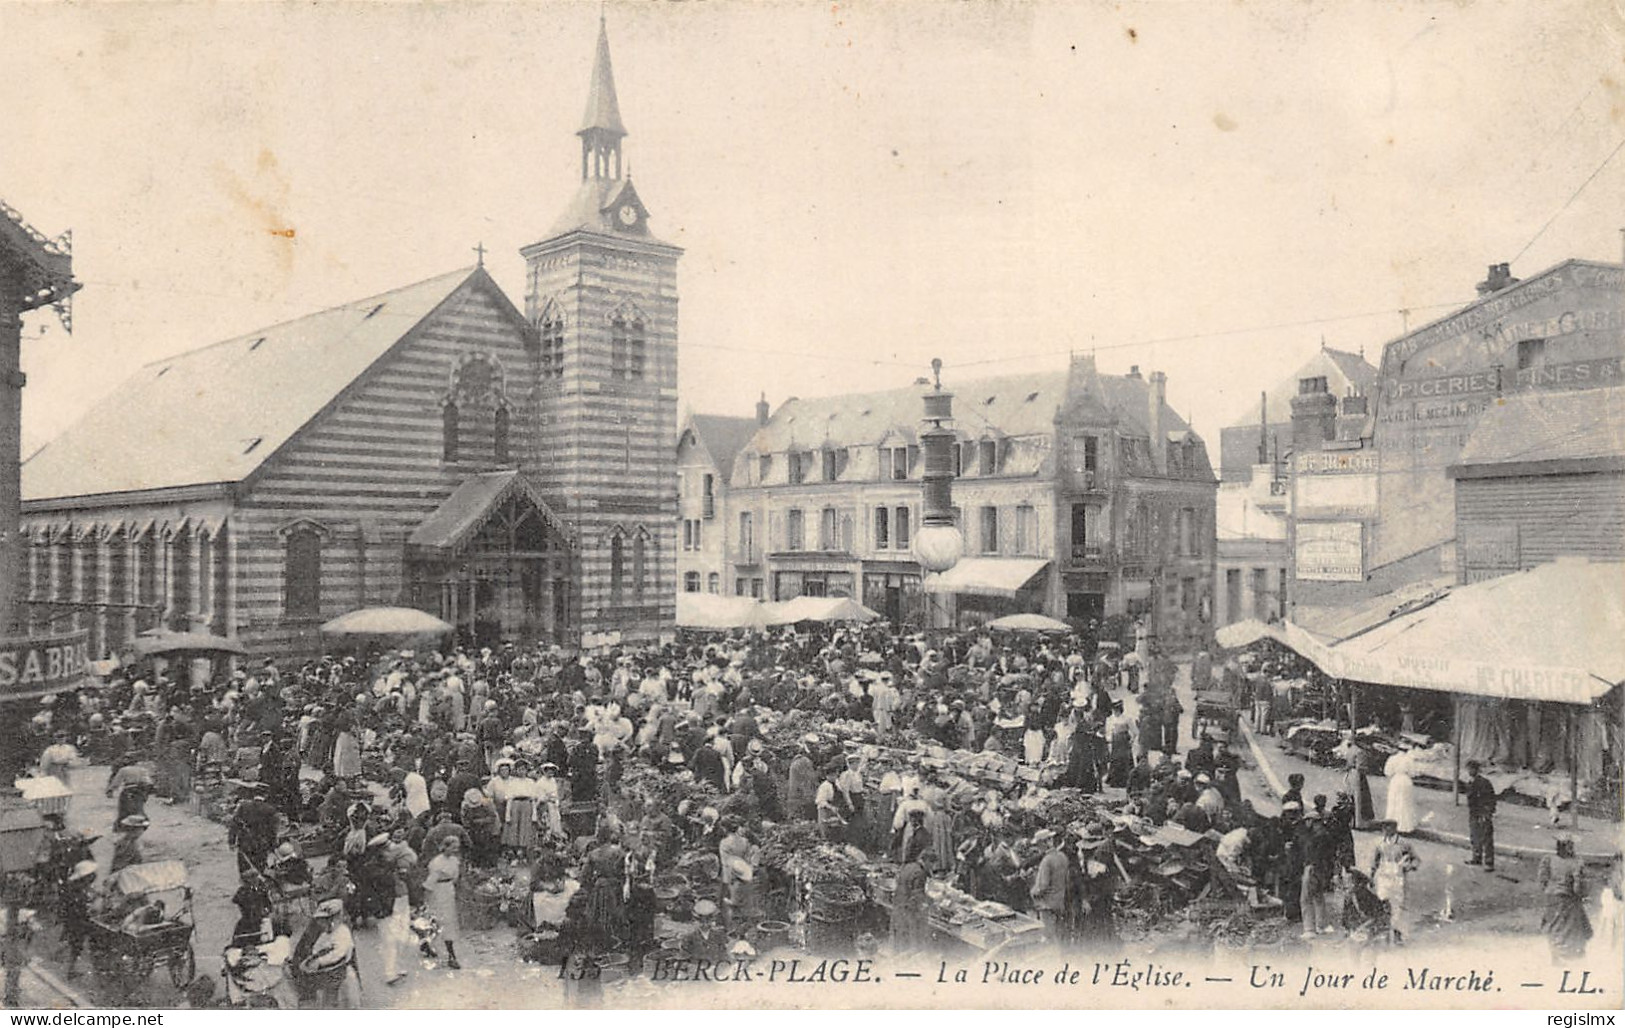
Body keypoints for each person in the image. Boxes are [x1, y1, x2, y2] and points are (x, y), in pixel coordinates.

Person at [1537, 837, 1592, 962]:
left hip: (1551, 898)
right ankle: (1569, 955)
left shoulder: (1548, 859)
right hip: (1568, 899)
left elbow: (1542, 879)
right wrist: (1581, 896)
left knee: (1553, 926)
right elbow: (1578, 887)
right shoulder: (1576, 863)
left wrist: (1549, 890)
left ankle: (1555, 955)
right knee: (1570, 929)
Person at [293, 899, 356, 1007]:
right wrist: (312, 958)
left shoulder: (342, 932)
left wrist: (320, 961)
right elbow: (317, 948)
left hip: (341, 972)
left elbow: (339, 953)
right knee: (326, 1000)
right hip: (327, 974)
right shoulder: (326, 934)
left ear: (333, 919)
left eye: (324, 920)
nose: (321, 924)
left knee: (343, 1001)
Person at [1368, 820, 1419, 945]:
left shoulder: (1404, 844)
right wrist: (1371, 877)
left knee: (1397, 906)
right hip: (1383, 878)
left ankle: (1397, 933)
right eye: (1383, 827)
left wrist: (1409, 867)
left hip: (1397, 878)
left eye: (1388, 827)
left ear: (1395, 828)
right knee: (1383, 904)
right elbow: (1374, 863)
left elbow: (1416, 860)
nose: (1385, 830)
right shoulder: (1380, 844)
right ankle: (1384, 932)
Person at [423, 836, 463, 969]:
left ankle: (429, 945)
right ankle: (451, 956)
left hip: (449, 891)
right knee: (440, 921)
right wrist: (426, 897)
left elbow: (455, 877)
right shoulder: (436, 863)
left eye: (457, 847)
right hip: (438, 891)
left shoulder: (454, 861)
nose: (455, 850)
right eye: (453, 847)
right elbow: (430, 882)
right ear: (445, 846)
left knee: (448, 921)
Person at [1029, 829, 1071, 945]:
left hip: (1047, 905)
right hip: (1060, 901)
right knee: (1059, 934)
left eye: (1038, 844)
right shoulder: (1062, 856)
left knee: (1048, 937)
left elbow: (1042, 886)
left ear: (1043, 843)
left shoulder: (1046, 861)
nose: (1038, 848)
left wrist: (1032, 892)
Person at [891, 839, 930, 954]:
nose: (931, 867)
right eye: (931, 864)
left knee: (899, 936)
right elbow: (917, 895)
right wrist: (926, 904)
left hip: (898, 904)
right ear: (926, 861)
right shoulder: (920, 872)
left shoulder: (908, 866)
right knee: (909, 942)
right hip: (907, 909)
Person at [58, 860, 97, 977]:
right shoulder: (77, 890)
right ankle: (70, 969)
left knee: (74, 942)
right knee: (76, 943)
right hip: (77, 919)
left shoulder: (80, 887)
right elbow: (78, 906)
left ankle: (67, 963)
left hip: (75, 918)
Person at [1463, 760, 1497, 872]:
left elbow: (1491, 799)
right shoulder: (1470, 782)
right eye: (1468, 769)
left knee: (1486, 838)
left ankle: (1489, 862)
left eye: (1471, 769)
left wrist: (1487, 813)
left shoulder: (1484, 783)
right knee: (1475, 836)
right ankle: (1476, 857)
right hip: (1474, 814)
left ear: (1476, 770)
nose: (1469, 771)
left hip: (1483, 814)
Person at [1384, 751, 1418, 834]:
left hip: (1395, 780)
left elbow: (1387, 772)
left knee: (1394, 802)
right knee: (1405, 803)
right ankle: (1405, 826)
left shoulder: (1392, 758)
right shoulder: (1409, 759)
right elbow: (1413, 773)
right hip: (1406, 781)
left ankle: (1392, 824)